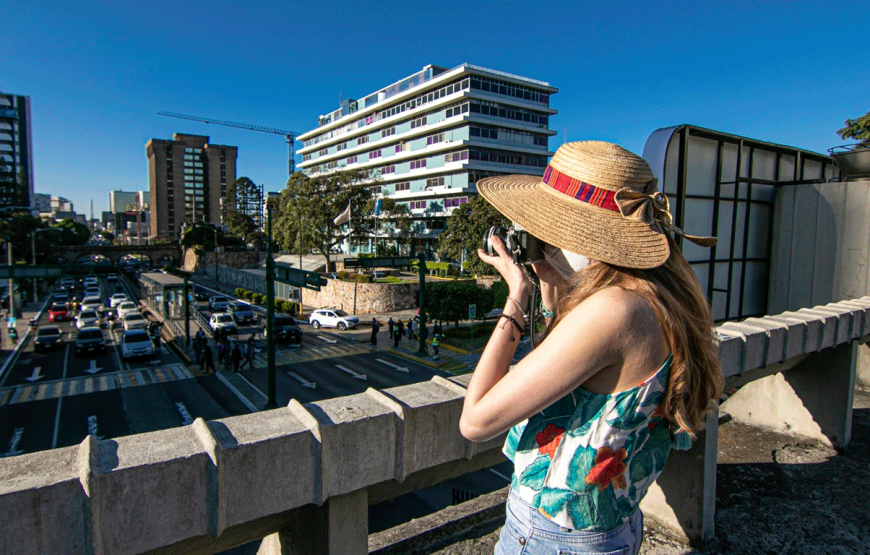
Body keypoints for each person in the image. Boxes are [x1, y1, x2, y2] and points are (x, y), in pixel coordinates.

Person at [459, 141, 723, 555]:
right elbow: (573, 370)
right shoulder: (658, 296)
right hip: (611, 522)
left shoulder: (613, 310)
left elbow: (475, 420)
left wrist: (516, 295)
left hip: (555, 536)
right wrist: (549, 279)